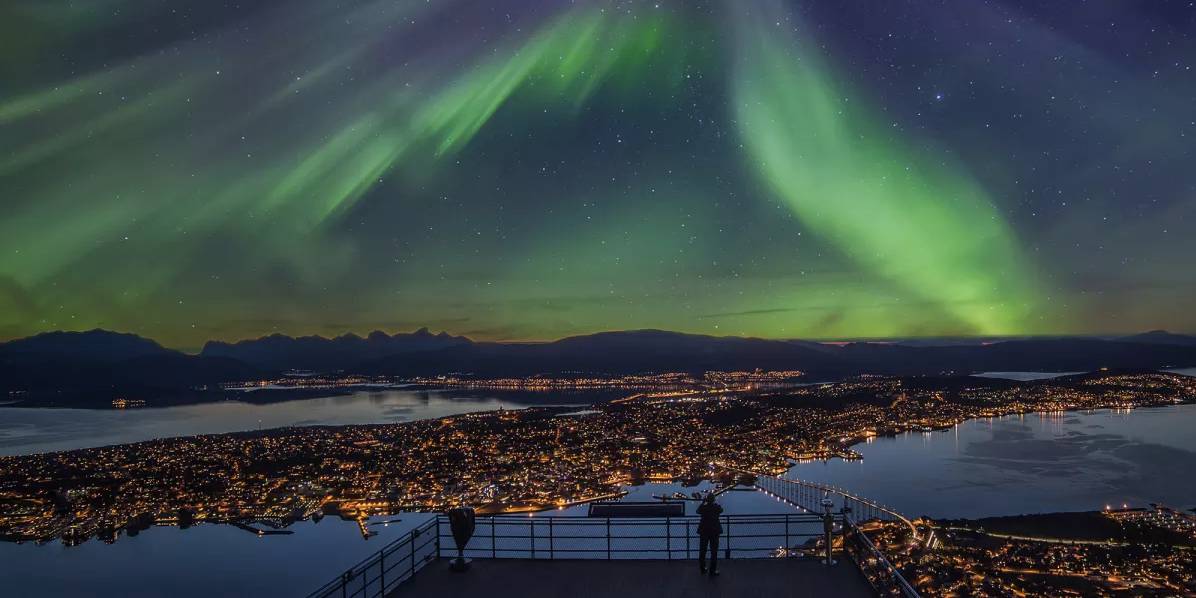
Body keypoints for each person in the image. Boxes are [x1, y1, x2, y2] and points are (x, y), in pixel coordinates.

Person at [696, 493, 723, 576]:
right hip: (714, 531)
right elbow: (721, 510)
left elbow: (698, 511)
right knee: (714, 552)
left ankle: (702, 568)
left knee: (702, 550)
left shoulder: (703, 507)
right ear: (713, 499)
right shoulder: (716, 507)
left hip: (704, 531)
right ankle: (712, 570)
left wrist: (703, 502)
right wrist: (715, 503)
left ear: (706, 500)